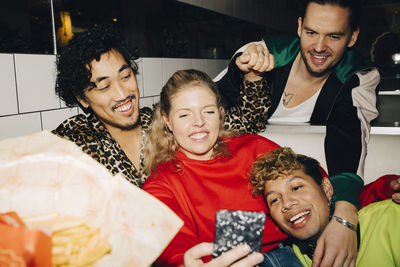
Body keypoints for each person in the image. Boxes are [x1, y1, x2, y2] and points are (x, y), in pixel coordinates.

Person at [215, 1, 379, 265]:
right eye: (312, 32)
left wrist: (345, 216)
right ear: (300, 26)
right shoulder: (265, 54)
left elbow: (349, 138)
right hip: (241, 192)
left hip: (296, 201)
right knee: (236, 259)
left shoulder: (357, 76)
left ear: (353, 37)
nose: (319, 46)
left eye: (334, 36)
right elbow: (208, 105)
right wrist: (240, 69)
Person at [52, 25, 271, 187]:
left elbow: (250, 121)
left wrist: (253, 75)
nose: (122, 94)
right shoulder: (75, 139)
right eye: (104, 86)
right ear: (82, 98)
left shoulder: (166, 119)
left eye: (126, 76)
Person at [142, 69, 302, 266]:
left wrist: (341, 219)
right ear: (168, 121)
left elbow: (311, 181)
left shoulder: (253, 148)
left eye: (208, 111)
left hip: (290, 252)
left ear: (219, 113)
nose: (199, 122)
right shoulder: (161, 183)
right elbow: (170, 239)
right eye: (184, 115)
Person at [250, 147, 400, 266]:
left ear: (327, 188)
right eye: (275, 199)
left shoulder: (390, 218)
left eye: (296, 188)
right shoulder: (287, 260)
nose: (287, 203)